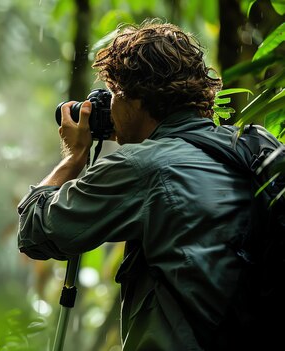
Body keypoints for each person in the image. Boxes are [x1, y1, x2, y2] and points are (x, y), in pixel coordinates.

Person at [16, 19, 254, 350]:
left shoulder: (142, 167)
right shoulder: (251, 146)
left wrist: (73, 158)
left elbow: (35, 233)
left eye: (114, 94)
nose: (109, 106)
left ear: (137, 100)